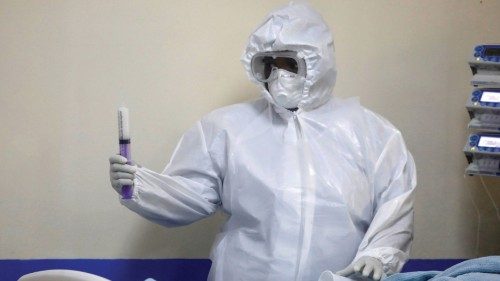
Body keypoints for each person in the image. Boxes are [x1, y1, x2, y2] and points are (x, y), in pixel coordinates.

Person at [109, 2, 417, 281]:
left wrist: (379, 254)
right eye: (269, 64)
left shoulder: (371, 134)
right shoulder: (228, 128)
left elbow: (396, 204)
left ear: (318, 62)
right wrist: (140, 184)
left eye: (290, 63)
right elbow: (192, 195)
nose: (279, 75)